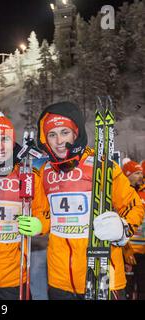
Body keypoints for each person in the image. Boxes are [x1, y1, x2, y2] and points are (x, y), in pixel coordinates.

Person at [30, 101, 144, 300]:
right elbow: (46, 215)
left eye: (64, 132)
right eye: (52, 134)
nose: (58, 141)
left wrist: (122, 229)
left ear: (76, 133)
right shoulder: (45, 172)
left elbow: (133, 206)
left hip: (102, 276)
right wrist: (40, 224)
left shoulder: (101, 166)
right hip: (59, 280)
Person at [0, 112, 42, 300]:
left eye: (5, 138)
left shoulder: (27, 174)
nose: (0, 146)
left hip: (15, 278)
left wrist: (40, 224)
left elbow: (45, 213)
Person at [121, 158, 145, 299]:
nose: (140, 176)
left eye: (141, 173)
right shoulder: (121, 193)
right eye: (136, 173)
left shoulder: (143, 193)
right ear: (127, 175)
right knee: (127, 289)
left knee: (142, 288)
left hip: (142, 252)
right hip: (126, 251)